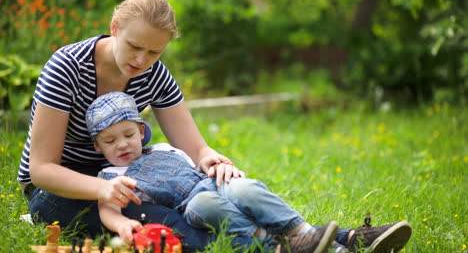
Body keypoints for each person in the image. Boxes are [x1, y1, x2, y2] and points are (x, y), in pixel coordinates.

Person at [16, 0, 247, 252]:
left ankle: (272, 229)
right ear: (114, 29)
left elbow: (196, 149)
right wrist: (102, 188)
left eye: (153, 52)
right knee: (159, 218)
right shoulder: (67, 68)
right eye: (134, 47)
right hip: (58, 189)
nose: (141, 61)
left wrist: (211, 159)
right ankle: (256, 244)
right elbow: (42, 169)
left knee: (198, 196)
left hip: (122, 173)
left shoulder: (154, 74)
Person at [87, 91, 412, 253]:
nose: (123, 145)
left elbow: (201, 162)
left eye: (128, 134)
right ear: (99, 147)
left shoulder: (165, 149)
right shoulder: (111, 176)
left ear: (141, 131)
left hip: (213, 183)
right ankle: (283, 246)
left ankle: (301, 235)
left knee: (245, 187)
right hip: (191, 207)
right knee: (205, 205)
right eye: (110, 140)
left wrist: (217, 165)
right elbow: (108, 207)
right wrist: (124, 225)